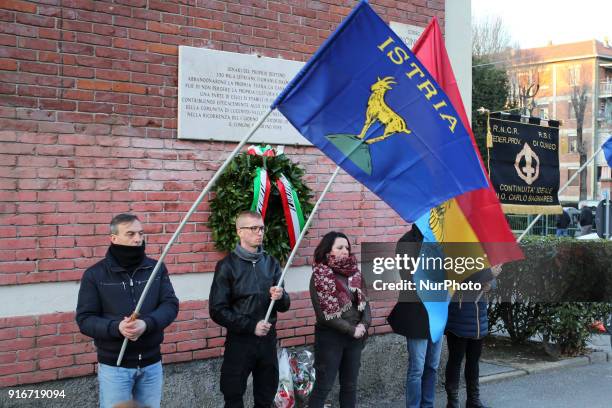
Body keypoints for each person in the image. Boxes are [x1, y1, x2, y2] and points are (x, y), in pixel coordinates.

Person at [76, 213, 179, 408]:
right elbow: (85, 319)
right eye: (130, 234)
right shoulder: (95, 274)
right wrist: (117, 328)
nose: (138, 239)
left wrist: (146, 324)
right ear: (113, 238)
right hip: (115, 367)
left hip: (151, 363)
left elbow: (170, 304)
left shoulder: (156, 268)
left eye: (140, 233)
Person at [209, 210, 291, 408]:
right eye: (253, 228)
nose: (259, 232)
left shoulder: (271, 263)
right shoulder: (227, 266)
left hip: (268, 342)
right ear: (240, 232)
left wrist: (280, 297)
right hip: (240, 342)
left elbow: (285, 305)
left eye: (261, 228)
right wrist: (250, 326)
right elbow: (217, 309)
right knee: (233, 395)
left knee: (265, 396)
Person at [308, 231, 371, 408]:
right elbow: (323, 315)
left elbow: (366, 304)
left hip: (355, 338)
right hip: (330, 338)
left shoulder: (355, 274)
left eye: (347, 247)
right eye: (339, 247)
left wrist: (364, 324)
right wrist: (352, 329)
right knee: (323, 387)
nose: (345, 250)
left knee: (350, 386)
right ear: (328, 251)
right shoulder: (320, 275)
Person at [387, 225, 443, 408]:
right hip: (416, 314)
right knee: (417, 368)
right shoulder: (406, 241)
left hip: (436, 312)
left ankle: (428, 405)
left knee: (432, 366)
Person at [444, 265, 501, 408]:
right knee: (455, 361)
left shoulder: (483, 256)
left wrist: (490, 284)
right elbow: (458, 279)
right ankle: (452, 402)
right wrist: (488, 274)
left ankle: (473, 400)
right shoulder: (458, 255)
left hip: (478, 319)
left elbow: (492, 281)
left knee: (473, 361)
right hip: (459, 316)